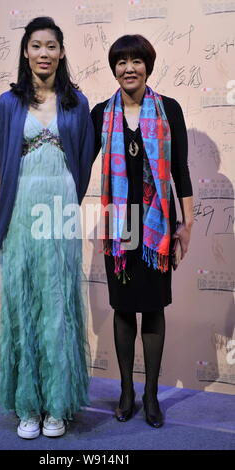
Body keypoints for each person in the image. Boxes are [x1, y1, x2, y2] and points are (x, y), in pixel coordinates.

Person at [0, 17, 94, 439]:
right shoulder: (7, 103)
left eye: (51, 46)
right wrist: (3, 213)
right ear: (26, 52)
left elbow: (83, 164)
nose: (44, 53)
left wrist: (67, 203)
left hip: (61, 211)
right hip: (20, 211)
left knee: (57, 306)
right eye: (36, 46)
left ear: (62, 52)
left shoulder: (77, 104)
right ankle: (27, 406)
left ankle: (56, 406)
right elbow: (0, 166)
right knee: (23, 305)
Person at [91, 35, 193, 428]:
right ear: (113, 68)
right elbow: (81, 159)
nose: (128, 68)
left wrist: (187, 224)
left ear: (148, 65)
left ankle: (150, 394)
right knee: (122, 308)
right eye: (121, 62)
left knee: (152, 307)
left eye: (136, 61)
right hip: (119, 227)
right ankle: (126, 391)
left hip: (156, 226)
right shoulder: (102, 113)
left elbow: (180, 171)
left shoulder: (168, 109)